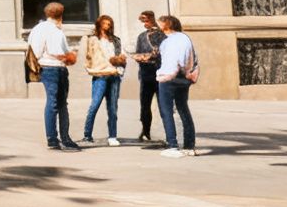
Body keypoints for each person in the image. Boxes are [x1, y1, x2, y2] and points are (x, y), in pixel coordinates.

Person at [27, 1, 80, 151]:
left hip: (54, 68)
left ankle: (57, 139)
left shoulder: (42, 29)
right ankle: (60, 138)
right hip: (51, 68)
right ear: (61, 14)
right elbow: (37, 52)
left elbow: (35, 51)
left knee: (57, 103)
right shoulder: (48, 29)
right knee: (58, 104)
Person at [155, 14, 199, 158]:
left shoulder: (169, 41)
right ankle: (189, 146)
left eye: (160, 23)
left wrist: (165, 75)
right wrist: (189, 74)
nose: (157, 26)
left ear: (167, 25)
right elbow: (194, 58)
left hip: (169, 77)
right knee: (183, 109)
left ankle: (172, 145)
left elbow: (172, 60)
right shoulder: (185, 38)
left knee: (166, 111)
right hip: (184, 77)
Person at [81, 14, 126, 145]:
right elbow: (89, 57)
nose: (107, 26)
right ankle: (87, 134)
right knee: (94, 105)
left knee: (112, 108)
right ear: (99, 25)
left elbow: (121, 57)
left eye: (109, 24)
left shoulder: (116, 40)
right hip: (100, 75)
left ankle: (112, 136)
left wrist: (120, 69)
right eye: (105, 23)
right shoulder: (93, 39)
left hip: (114, 75)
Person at [131, 11, 163, 142]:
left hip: (160, 74)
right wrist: (139, 57)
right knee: (145, 105)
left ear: (152, 19)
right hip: (145, 74)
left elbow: (164, 52)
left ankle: (169, 132)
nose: (144, 23)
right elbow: (138, 53)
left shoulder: (162, 35)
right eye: (142, 21)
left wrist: (154, 55)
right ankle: (145, 131)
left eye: (146, 20)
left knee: (163, 105)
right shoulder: (141, 36)